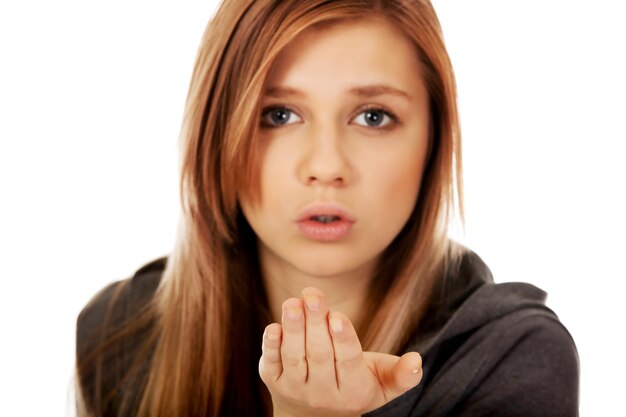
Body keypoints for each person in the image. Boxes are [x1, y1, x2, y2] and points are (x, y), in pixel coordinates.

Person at [75, 0, 580, 416]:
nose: (325, 166)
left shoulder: (514, 358)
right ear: (216, 136)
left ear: (433, 139)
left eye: (373, 116)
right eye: (279, 114)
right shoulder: (118, 335)